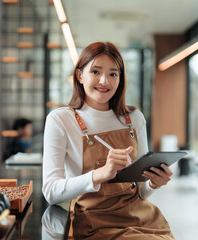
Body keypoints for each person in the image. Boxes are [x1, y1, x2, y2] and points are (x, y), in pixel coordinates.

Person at [42, 42, 175, 239]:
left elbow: (140, 192)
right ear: (79, 75)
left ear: (120, 79)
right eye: (95, 71)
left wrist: (153, 184)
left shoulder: (134, 118)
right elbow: (51, 191)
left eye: (113, 74)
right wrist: (100, 174)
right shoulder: (60, 119)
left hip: (142, 218)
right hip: (95, 223)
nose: (104, 81)